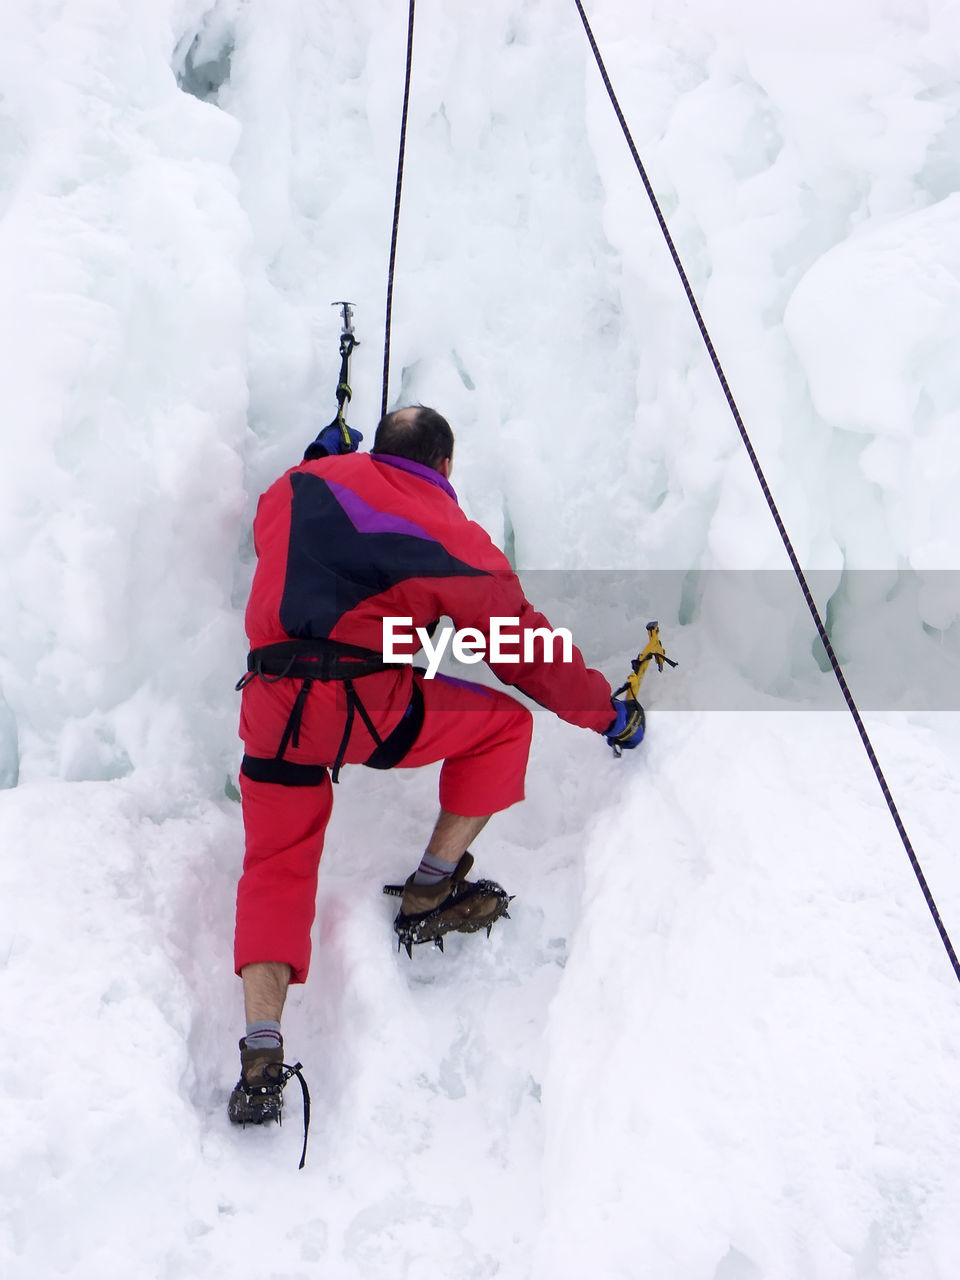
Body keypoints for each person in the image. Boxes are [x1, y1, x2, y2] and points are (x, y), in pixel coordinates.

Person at [228, 405, 645, 1127]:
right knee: (503, 726)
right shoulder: (450, 534)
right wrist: (607, 714)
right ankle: (430, 890)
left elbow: (289, 504)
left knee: (277, 864)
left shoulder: (294, 486)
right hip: (362, 704)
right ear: (446, 466)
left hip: (270, 706)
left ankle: (261, 1052)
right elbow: (524, 652)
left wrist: (324, 452)